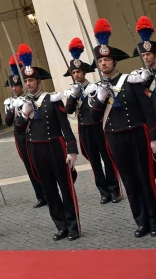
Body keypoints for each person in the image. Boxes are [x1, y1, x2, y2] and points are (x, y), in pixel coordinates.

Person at [88, 19, 156, 237]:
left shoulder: (131, 81)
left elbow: (148, 109)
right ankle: (141, 221)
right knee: (129, 181)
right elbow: (93, 119)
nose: (103, 64)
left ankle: (154, 221)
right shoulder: (97, 89)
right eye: (100, 61)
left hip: (137, 133)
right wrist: (100, 100)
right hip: (114, 137)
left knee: (145, 178)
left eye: (107, 60)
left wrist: (155, 137)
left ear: (114, 62)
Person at [13, 44, 80, 241]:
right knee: (49, 190)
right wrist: (24, 114)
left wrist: (71, 148)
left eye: (31, 80)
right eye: (26, 81)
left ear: (38, 81)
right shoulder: (22, 104)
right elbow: (18, 129)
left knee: (66, 187)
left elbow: (64, 125)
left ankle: (73, 225)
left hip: (55, 147)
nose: (29, 84)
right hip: (35, 148)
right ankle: (60, 225)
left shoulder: (52, 99)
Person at [64, 38, 121, 204]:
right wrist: (73, 95)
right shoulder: (71, 91)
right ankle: (103, 192)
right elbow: (68, 111)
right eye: (73, 73)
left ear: (84, 73)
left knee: (108, 158)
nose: (76, 75)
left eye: (79, 72)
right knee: (94, 161)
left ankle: (114, 190)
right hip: (84, 129)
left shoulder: (96, 86)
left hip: (99, 127)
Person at [4, 55, 48, 208]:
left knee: (40, 164)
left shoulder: (30, 97)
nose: (15, 88)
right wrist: (10, 108)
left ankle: (48, 192)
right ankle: (40, 196)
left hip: (33, 132)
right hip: (20, 135)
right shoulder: (10, 101)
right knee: (29, 166)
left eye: (17, 85)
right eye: (13, 86)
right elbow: (8, 122)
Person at [131, 17, 156, 153]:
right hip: (153, 119)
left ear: (154, 55)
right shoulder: (136, 75)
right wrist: (142, 82)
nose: (146, 57)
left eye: (148, 54)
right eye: (143, 55)